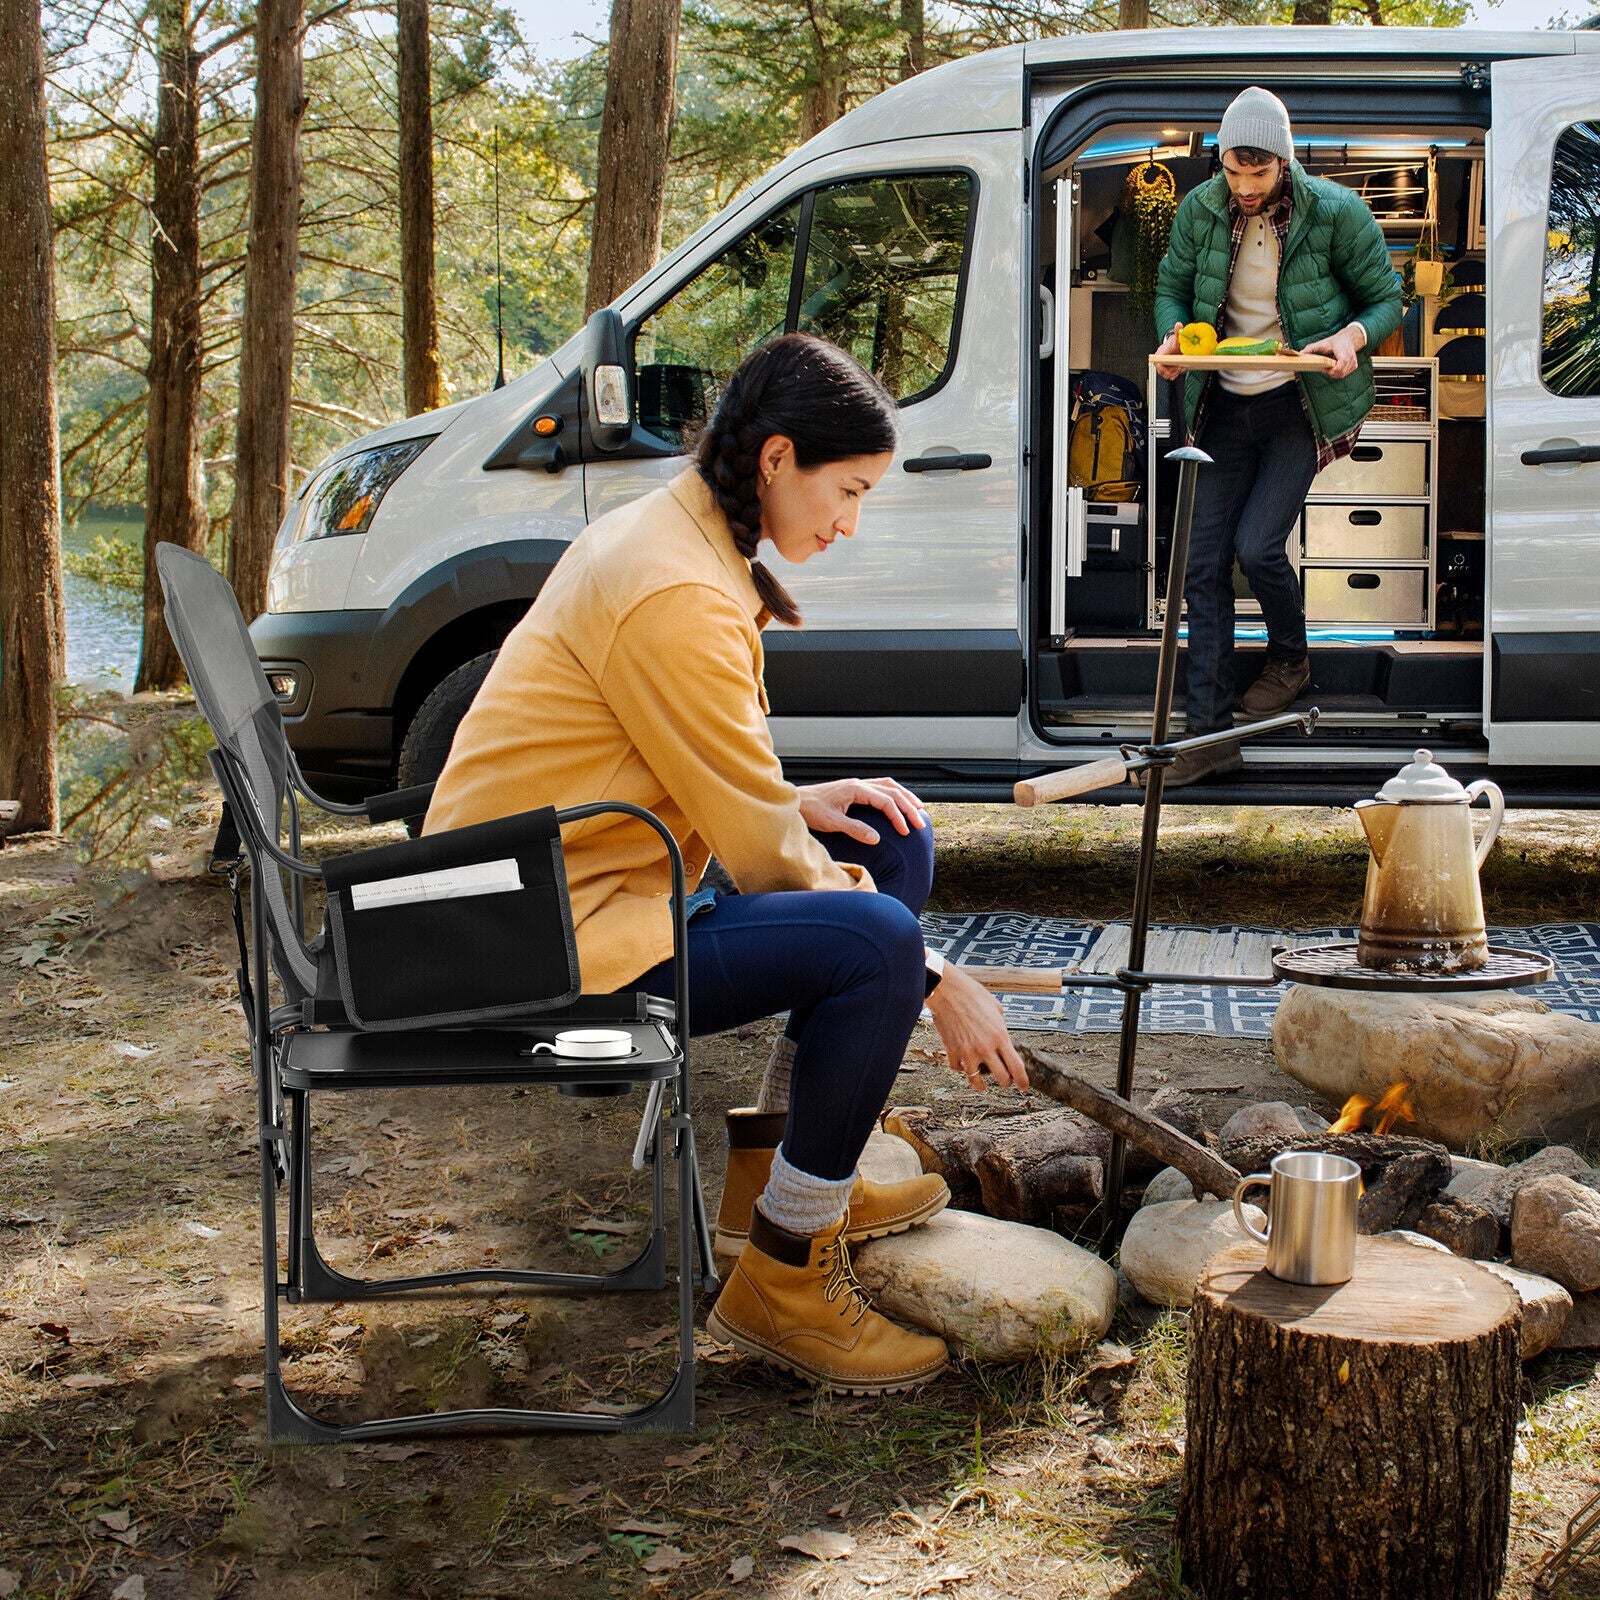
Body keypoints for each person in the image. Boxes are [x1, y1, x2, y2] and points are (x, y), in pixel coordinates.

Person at [424, 334, 1029, 1395]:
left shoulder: (683, 542)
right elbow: (761, 860)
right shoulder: (675, 590)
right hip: (532, 940)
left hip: (600, 883)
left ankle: (785, 1168)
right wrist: (940, 980)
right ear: (777, 458)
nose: (850, 522)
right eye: (846, 491)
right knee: (880, 944)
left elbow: (669, 780)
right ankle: (787, 1274)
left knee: (888, 837)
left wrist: (795, 803)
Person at [1152, 87, 1404, 785]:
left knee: (1258, 545)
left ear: (1284, 165)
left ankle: (1290, 659)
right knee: (1200, 565)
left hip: (1300, 401)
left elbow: (1387, 297)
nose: (1244, 188)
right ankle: (1206, 739)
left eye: (1258, 175)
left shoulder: (1336, 212)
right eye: (1233, 173)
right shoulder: (1200, 210)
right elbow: (1171, 286)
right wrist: (1171, 333)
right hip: (1224, 406)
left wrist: (1353, 338)